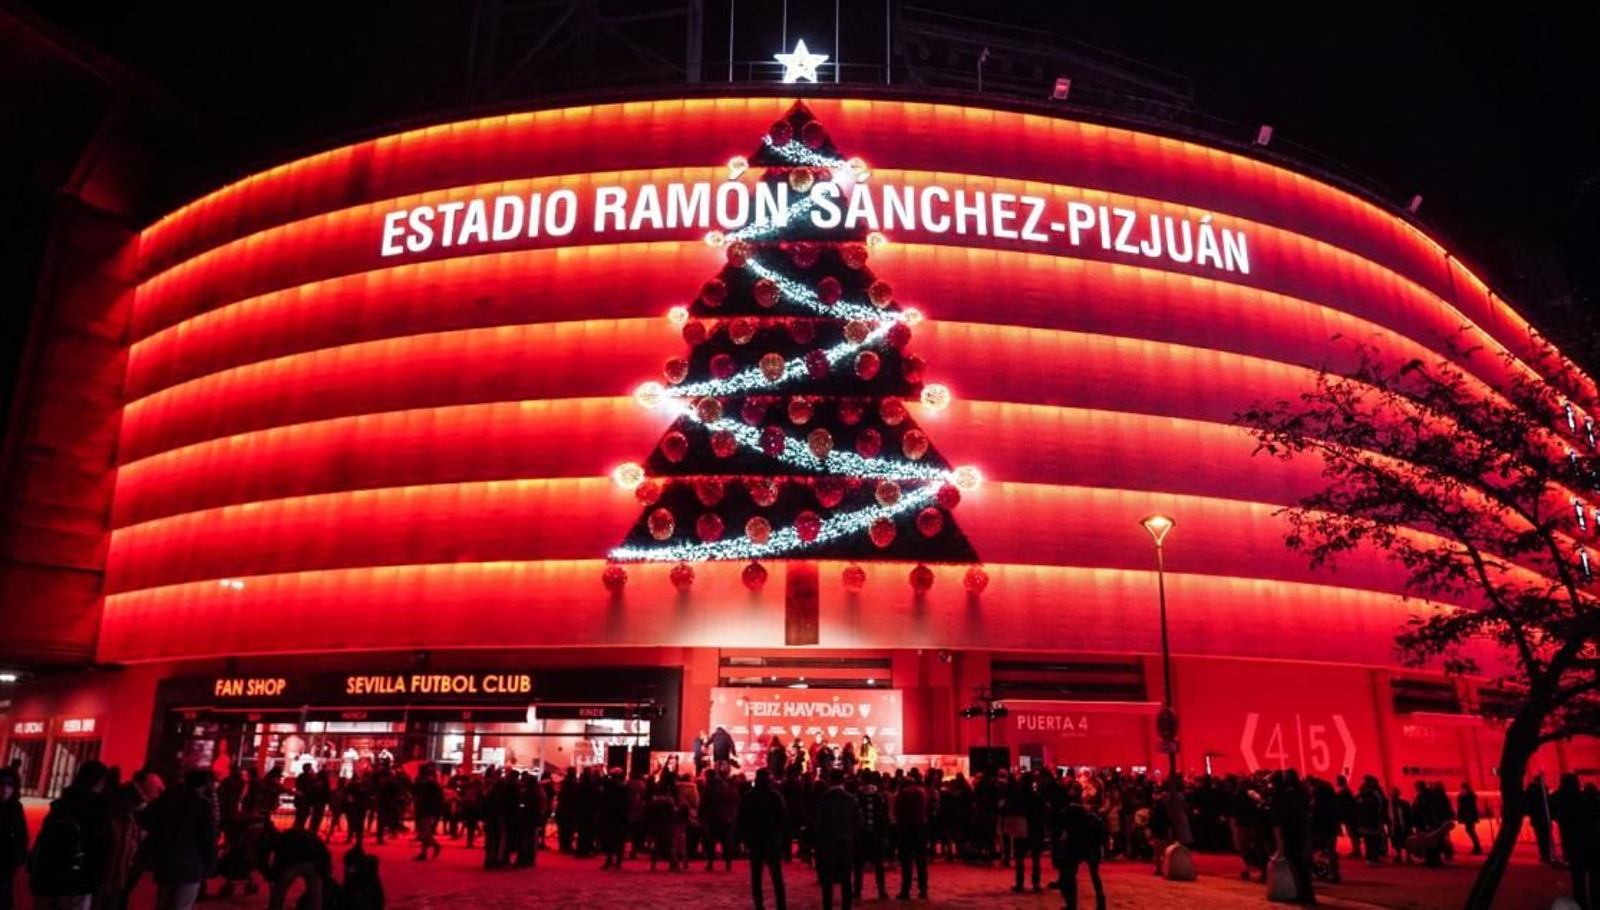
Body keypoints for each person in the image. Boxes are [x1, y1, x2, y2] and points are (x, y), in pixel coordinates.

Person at [29, 759, 113, 910]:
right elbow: (101, 848)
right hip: (77, 882)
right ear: (100, 782)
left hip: (47, 877)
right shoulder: (98, 809)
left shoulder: (60, 804)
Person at [140, 768, 217, 910]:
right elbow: (207, 838)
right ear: (204, 785)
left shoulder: (169, 799)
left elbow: (148, 818)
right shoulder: (203, 805)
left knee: (163, 904)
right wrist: (210, 863)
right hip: (191, 864)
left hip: (166, 861)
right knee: (182, 905)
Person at [813, 770, 863, 910]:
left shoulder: (823, 799)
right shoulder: (850, 798)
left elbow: (817, 823)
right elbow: (859, 821)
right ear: (843, 781)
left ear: (829, 780)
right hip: (845, 844)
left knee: (827, 881)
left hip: (827, 844)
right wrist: (849, 834)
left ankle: (827, 906)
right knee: (846, 880)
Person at [738, 769, 788, 910]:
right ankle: (781, 905)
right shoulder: (775, 796)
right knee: (777, 877)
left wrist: (744, 838)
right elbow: (783, 819)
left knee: (756, 878)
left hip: (755, 841)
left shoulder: (749, 797)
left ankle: (759, 906)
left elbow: (742, 819)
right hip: (772, 840)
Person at [1053, 783, 1106, 910]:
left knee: (1071, 875)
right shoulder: (1088, 812)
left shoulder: (1068, 810)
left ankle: (1072, 904)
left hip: (1076, 846)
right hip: (1091, 845)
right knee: (1094, 875)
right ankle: (1101, 902)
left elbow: (1062, 828)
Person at [1270, 769, 1315, 905]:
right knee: (1300, 864)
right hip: (1301, 831)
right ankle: (1305, 893)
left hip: (1293, 832)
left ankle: (1304, 894)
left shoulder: (1290, 794)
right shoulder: (1302, 792)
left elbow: (1285, 814)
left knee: (1297, 864)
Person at [263, 825, 331, 910]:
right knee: (315, 892)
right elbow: (324, 853)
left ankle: (275, 907)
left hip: (294, 862)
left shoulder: (282, 841)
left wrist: (272, 874)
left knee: (280, 890)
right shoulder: (308, 836)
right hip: (313, 861)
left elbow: (279, 862)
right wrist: (326, 870)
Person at [853, 770, 890, 902]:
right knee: (879, 865)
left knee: (858, 865)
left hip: (861, 835)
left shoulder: (857, 796)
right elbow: (884, 816)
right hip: (876, 834)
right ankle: (881, 891)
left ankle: (857, 891)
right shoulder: (879, 796)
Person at [894, 769, 930, 900]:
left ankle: (906, 890)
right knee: (921, 861)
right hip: (921, 828)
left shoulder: (903, 794)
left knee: (906, 862)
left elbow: (898, 812)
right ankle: (923, 889)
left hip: (906, 829)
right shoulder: (922, 792)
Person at [0, 768, 28, 910]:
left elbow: (22, 835)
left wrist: (18, 858)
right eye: (2, 783)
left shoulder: (16, 808)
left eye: (9, 784)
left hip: (7, 868)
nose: (5, 788)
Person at [411, 764, 443, 861]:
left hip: (427, 809)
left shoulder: (428, 783)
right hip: (426, 809)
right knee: (424, 831)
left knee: (425, 832)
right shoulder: (432, 783)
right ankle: (423, 853)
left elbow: (418, 793)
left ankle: (436, 845)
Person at [1527, 773, 1555, 865]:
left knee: (1540, 838)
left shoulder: (1531, 790)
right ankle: (1548, 854)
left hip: (1537, 818)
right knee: (1546, 837)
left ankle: (1544, 855)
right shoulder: (1543, 790)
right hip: (1544, 817)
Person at [1456, 781, 1482, 855]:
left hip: (1469, 816)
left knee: (1470, 830)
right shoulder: (1468, 795)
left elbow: (1467, 805)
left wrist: (1462, 797)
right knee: (1470, 830)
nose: (1461, 789)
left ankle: (1477, 846)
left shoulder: (1469, 795)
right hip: (1469, 816)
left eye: (1462, 788)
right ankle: (1477, 846)